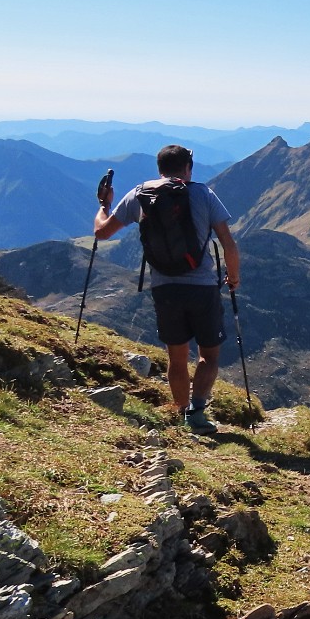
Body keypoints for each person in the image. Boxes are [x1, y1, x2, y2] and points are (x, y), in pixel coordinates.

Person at [94, 144, 239, 434]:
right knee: (209, 356)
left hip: (164, 288)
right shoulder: (203, 193)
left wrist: (104, 206)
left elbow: (101, 232)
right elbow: (228, 243)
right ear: (188, 168)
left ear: (159, 168)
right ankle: (196, 414)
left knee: (176, 356)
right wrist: (232, 277)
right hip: (202, 288)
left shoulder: (140, 194)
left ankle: (180, 410)